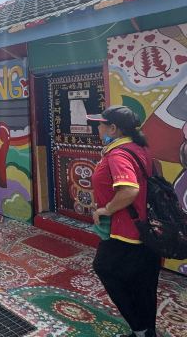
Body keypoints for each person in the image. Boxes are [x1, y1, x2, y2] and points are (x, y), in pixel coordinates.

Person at [88, 105, 161, 337]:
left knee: (104, 267)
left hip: (127, 230)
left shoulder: (118, 154)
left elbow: (129, 190)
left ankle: (139, 328)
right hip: (146, 227)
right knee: (144, 282)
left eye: (101, 125)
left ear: (113, 128)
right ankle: (147, 331)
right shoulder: (138, 148)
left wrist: (106, 209)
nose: (98, 129)